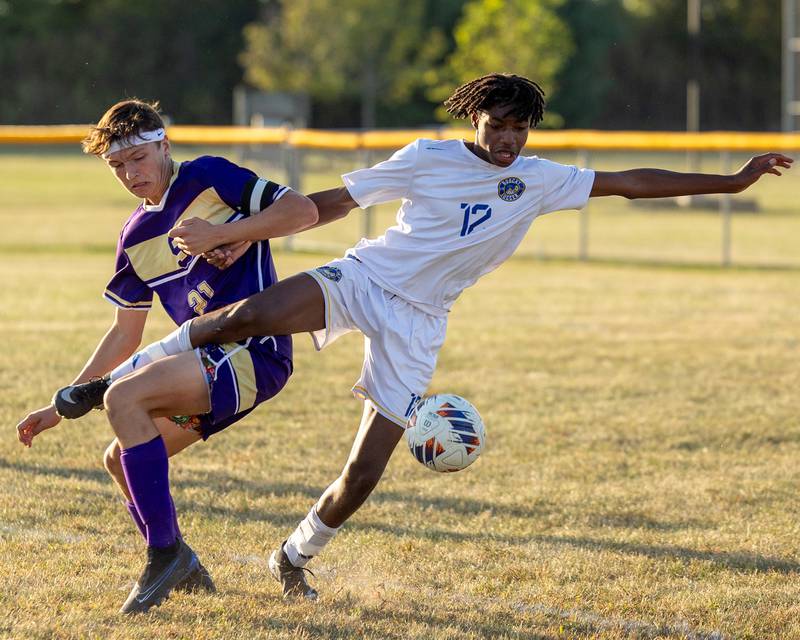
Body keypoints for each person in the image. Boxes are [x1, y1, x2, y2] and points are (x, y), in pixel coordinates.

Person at [51, 73, 793, 602]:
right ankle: (101, 389)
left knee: (365, 474)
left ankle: (293, 555)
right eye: (496, 125)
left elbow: (630, 181)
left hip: (420, 323)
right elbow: (337, 202)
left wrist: (732, 183)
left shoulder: (538, 178)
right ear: (474, 119)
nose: (507, 138)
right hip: (366, 279)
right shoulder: (427, 158)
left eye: (518, 127)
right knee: (248, 316)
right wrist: (241, 233)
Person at [15, 99, 318, 614]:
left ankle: (163, 555)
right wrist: (61, 403)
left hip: (253, 350)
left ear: (164, 146)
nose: (131, 174)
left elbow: (303, 211)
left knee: (126, 399)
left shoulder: (209, 177)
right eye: (118, 166)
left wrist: (226, 234)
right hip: (205, 362)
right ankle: (184, 564)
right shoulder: (134, 236)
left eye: (138, 158)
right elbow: (123, 334)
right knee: (119, 459)